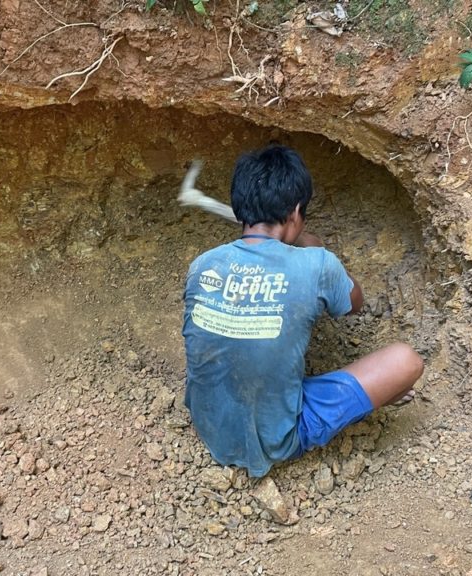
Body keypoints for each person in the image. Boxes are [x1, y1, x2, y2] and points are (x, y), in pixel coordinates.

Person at [181, 145, 424, 478]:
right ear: (295, 213)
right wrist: (318, 249)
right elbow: (354, 304)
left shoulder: (202, 265)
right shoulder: (317, 264)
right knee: (405, 361)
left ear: (241, 208)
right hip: (275, 439)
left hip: (211, 425)